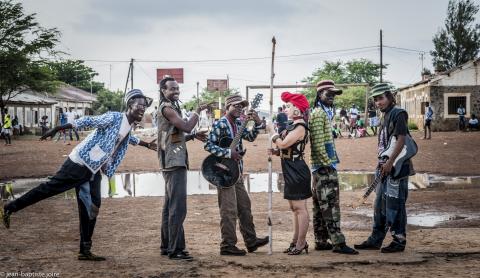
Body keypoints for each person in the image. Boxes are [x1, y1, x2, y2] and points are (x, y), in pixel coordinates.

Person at [1, 89, 157, 260]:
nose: (143, 109)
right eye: (139, 105)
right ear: (129, 104)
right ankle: (9, 208)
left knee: (92, 207)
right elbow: (89, 120)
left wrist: (147, 145)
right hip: (79, 163)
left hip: (93, 169)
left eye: (144, 107)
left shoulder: (128, 125)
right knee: (49, 189)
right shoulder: (114, 117)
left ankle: (85, 250)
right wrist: (59, 128)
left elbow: (128, 138)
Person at [204, 94, 269, 256]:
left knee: (245, 207)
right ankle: (227, 245)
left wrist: (257, 122)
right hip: (222, 172)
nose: (239, 108)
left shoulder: (239, 122)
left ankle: (251, 241)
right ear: (228, 107)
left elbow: (251, 136)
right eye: (236, 105)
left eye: (242, 106)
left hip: (236, 172)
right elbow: (208, 145)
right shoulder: (220, 124)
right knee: (229, 210)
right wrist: (228, 152)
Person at [355, 83, 415, 253]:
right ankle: (376, 239)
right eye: (375, 99)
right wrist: (383, 164)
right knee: (380, 204)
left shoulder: (398, 113)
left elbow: (401, 140)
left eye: (381, 98)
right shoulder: (386, 115)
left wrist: (390, 162)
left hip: (397, 168)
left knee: (396, 204)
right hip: (384, 167)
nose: (378, 102)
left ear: (389, 97)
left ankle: (399, 240)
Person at [157, 77, 210, 261]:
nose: (176, 91)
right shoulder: (167, 108)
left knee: (169, 206)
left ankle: (167, 246)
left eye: (177, 88)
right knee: (177, 207)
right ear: (163, 91)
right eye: (172, 89)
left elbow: (173, 138)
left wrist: (194, 135)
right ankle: (175, 249)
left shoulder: (170, 107)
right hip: (174, 163)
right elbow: (186, 126)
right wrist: (197, 111)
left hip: (171, 160)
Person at [309, 80, 358, 255]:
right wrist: (328, 165)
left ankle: (321, 240)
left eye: (333, 94)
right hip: (323, 166)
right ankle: (338, 242)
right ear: (319, 94)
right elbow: (317, 144)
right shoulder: (318, 114)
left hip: (321, 166)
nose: (331, 97)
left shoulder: (324, 113)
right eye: (328, 94)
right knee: (331, 205)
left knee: (320, 206)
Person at [269, 92, 312, 255]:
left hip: (298, 170)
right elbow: (287, 149)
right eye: (286, 106)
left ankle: (301, 243)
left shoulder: (300, 127)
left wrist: (272, 132)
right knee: (294, 207)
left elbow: (284, 143)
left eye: (289, 106)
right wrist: (276, 152)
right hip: (289, 168)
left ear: (298, 109)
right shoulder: (292, 125)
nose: (286, 109)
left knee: (300, 207)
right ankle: (295, 241)